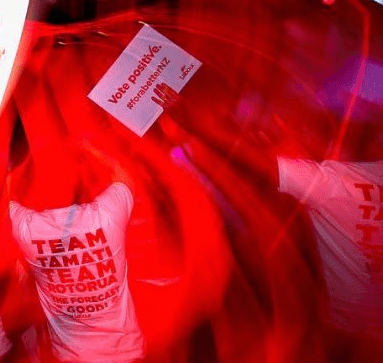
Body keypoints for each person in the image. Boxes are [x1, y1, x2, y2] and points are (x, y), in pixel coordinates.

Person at [152, 82, 383, 361]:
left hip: (344, 331)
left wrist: (196, 127)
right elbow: (261, 165)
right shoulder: (340, 184)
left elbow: (260, 165)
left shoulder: (340, 186)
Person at [0, 74, 145, 363]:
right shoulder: (106, 216)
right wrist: (90, 148)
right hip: (127, 356)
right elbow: (125, 176)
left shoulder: (28, 229)